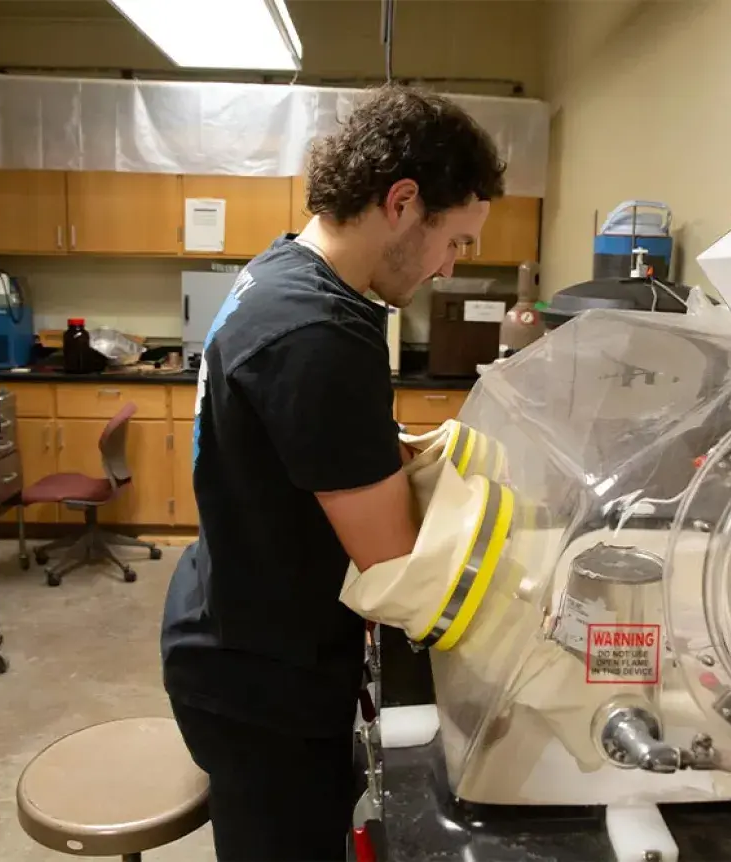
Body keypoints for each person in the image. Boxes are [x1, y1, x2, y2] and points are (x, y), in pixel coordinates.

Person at [160, 84, 506, 862]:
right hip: (262, 682)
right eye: (456, 241)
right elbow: (395, 566)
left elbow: (302, 447)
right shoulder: (318, 331)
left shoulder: (287, 271)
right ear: (404, 201)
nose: (452, 268)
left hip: (230, 619)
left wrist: (398, 451)